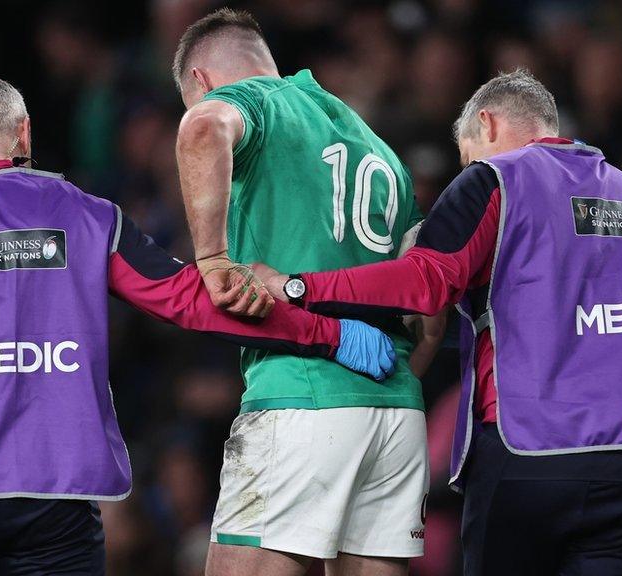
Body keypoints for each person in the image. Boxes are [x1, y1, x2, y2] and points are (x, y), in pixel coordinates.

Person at [0, 76, 397, 576]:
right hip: (58, 506)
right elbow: (191, 299)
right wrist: (329, 334)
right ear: (24, 133)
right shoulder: (87, 216)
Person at [259, 69, 622, 575]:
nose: (466, 168)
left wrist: (299, 286)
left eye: (466, 154)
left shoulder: (495, 179)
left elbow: (423, 282)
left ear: (487, 123)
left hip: (531, 452)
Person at [172, 9, 442, 576]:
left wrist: (214, 260)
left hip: (303, 393)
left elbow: (203, 129)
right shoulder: (377, 146)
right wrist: (398, 376)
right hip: (395, 410)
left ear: (201, 81)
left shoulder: (255, 103)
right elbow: (430, 302)